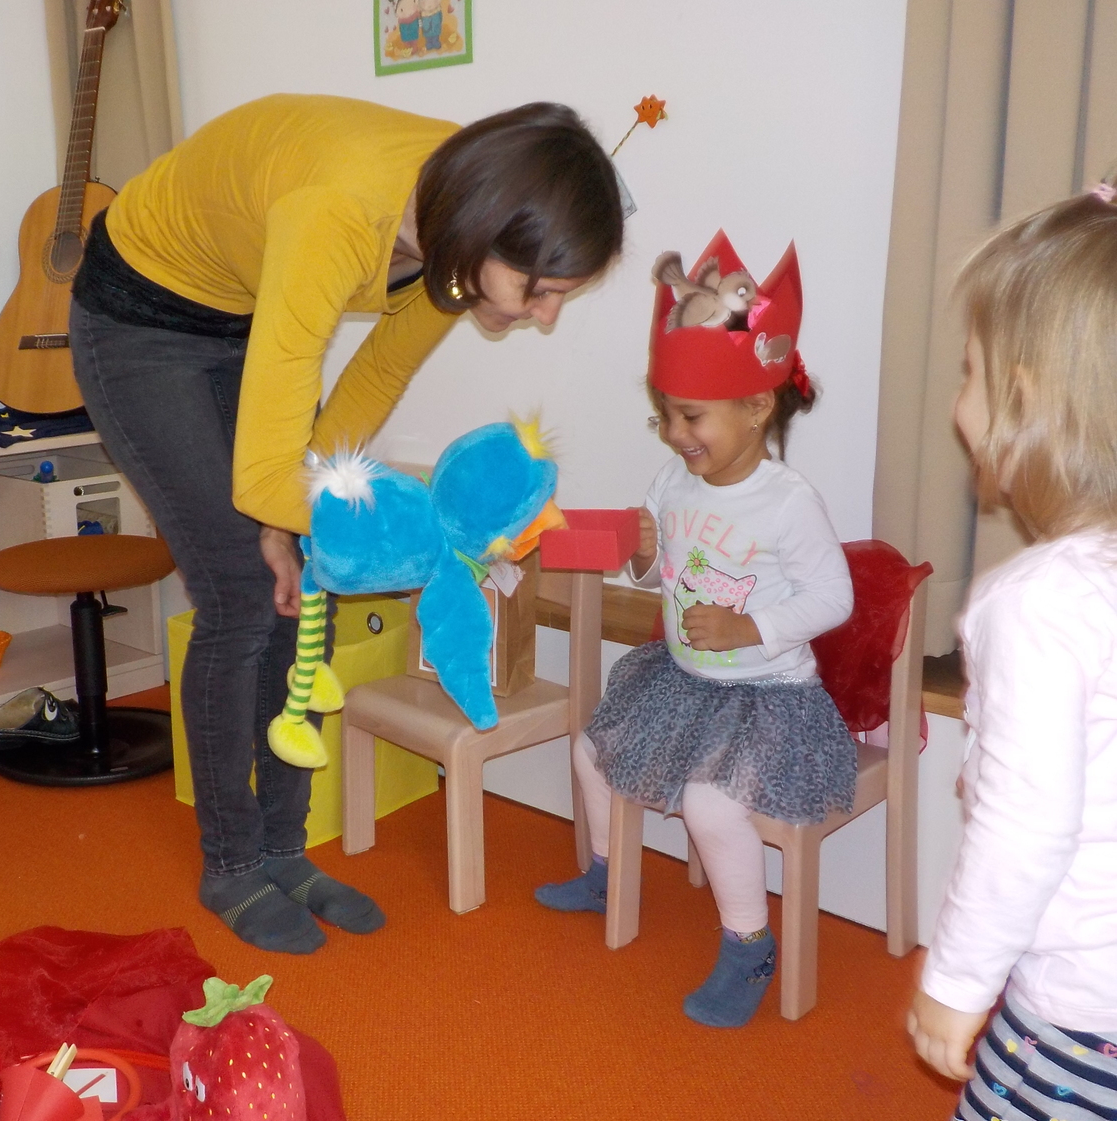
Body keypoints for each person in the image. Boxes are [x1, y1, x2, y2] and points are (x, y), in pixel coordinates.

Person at [69, 94, 623, 955]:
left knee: (307, 578)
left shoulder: (455, 223)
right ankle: (231, 863)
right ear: (488, 234)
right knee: (239, 595)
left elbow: (371, 384)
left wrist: (299, 525)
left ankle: (284, 850)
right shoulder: (339, 215)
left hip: (241, 311)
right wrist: (404, 535)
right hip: (138, 319)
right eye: (542, 291)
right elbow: (264, 478)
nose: (545, 316)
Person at [535, 236, 858, 1029]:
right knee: (591, 749)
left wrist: (751, 624)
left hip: (768, 698)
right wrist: (646, 557)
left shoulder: (787, 502)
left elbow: (834, 597)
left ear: (757, 408)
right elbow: (662, 578)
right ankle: (607, 872)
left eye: (691, 416)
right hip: (683, 680)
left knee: (712, 806)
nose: (676, 434)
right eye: (667, 414)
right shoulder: (673, 480)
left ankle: (749, 944)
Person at [907, 183, 1117, 1121]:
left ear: (1022, 400)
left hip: (1075, 1019)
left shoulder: (1035, 604)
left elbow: (1024, 827)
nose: (959, 400)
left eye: (969, 373)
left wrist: (955, 981)